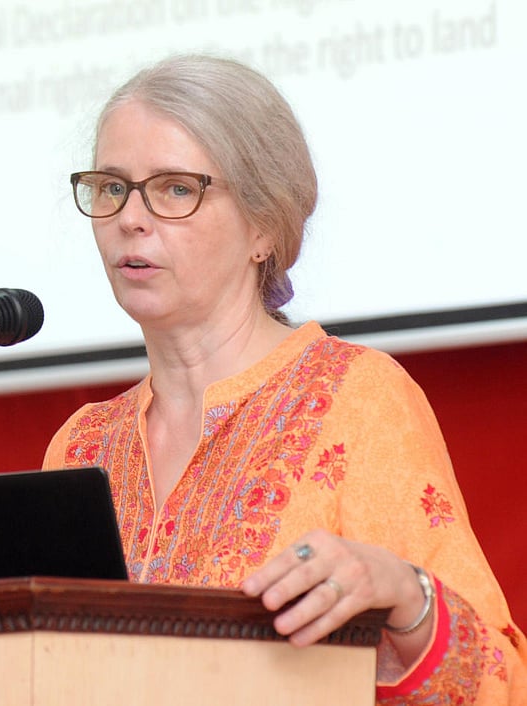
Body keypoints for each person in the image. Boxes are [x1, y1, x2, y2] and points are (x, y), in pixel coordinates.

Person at [42, 53, 526, 704]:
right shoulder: (80, 446)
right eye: (111, 187)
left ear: (264, 226)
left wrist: (407, 597)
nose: (131, 216)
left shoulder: (357, 398)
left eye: (175, 189)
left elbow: (501, 683)